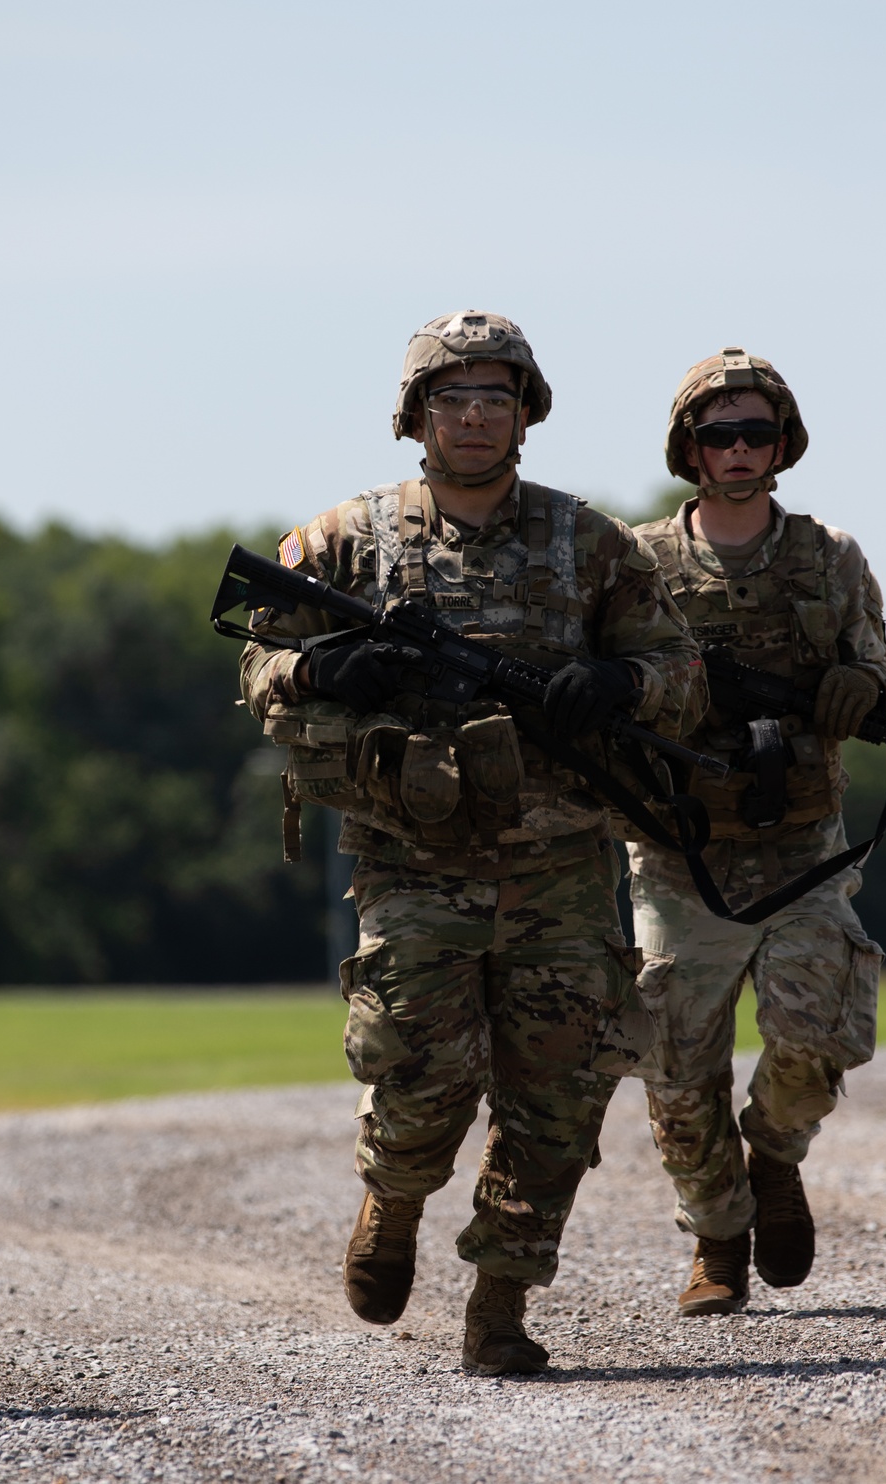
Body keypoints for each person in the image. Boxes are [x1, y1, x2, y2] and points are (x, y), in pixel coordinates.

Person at [238, 311, 706, 1372]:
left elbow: (680, 674)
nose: (475, 417)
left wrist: (618, 681)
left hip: (561, 872)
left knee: (561, 1095)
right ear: (416, 416)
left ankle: (499, 1308)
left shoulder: (589, 545)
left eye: (496, 398)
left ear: (525, 413)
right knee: (413, 1075)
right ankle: (393, 1202)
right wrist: (321, 673)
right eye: (453, 399)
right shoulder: (349, 540)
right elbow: (259, 673)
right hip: (414, 861)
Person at [626, 346, 886, 1317]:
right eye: (718, 433)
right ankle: (717, 1235)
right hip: (677, 852)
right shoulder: (640, 564)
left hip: (800, 845)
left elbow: (869, 670)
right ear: (689, 449)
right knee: (674, 1062)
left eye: (755, 432)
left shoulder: (829, 557)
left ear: (782, 443)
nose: (738, 450)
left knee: (815, 1031)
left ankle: (773, 1156)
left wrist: (859, 690)